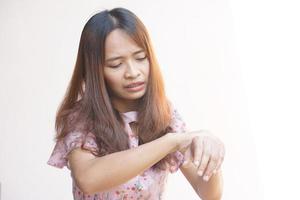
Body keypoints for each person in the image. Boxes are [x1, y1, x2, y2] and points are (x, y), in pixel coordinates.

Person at [47, 7, 225, 200]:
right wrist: (170, 142)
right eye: (116, 64)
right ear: (95, 71)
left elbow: (209, 195)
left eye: (140, 58)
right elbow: (88, 179)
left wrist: (209, 154)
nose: (133, 72)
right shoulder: (82, 117)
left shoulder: (163, 113)